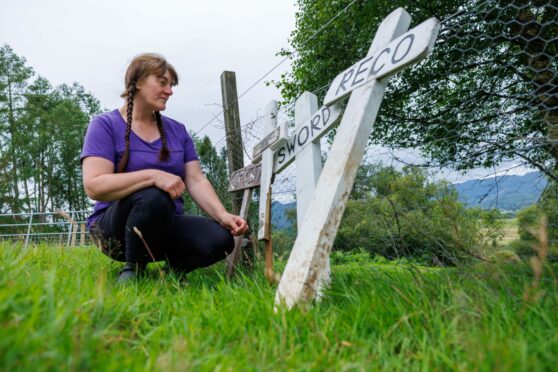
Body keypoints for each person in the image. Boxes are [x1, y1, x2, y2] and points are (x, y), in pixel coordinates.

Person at [80, 53, 248, 282]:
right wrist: (153, 175)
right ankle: (133, 270)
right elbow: (94, 185)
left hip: (164, 225)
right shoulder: (105, 125)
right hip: (113, 231)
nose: (170, 91)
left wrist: (222, 215)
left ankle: (169, 274)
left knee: (220, 240)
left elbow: (196, 179)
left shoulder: (178, 131)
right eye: (162, 82)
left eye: (171, 85)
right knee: (154, 195)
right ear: (137, 82)